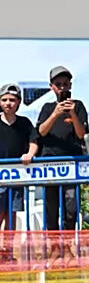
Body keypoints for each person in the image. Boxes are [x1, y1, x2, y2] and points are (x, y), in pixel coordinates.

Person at [36, 65, 89, 232]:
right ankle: (53, 249)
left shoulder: (78, 106)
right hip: (50, 165)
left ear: (70, 85)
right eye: (58, 84)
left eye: (65, 84)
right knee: (51, 210)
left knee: (71, 210)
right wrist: (55, 114)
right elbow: (41, 131)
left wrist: (72, 114)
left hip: (72, 164)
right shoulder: (46, 107)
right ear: (52, 87)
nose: (62, 87)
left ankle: (67, 247)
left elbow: (81, 134)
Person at [0, 83, 37, 229]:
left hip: (17, 176)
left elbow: (33, 141)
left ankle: (8, 250)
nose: (8, 103)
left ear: (19, 102)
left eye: (12, 100)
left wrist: (29, 154)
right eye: (4, 99)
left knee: (11, 215)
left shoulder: (25, 123)